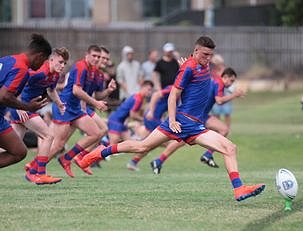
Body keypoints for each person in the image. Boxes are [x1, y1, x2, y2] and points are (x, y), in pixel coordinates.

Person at [80, 36, 265, 202]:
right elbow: (172, 96)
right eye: (204, 54)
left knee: (143, 146)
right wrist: (174, 119)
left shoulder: (202, 64)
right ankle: (99, 153)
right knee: (143, 146)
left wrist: (190, 63)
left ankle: (239, 189)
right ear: (196, 51)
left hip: (194, 124)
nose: (207, 58)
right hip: (183, 121)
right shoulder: (189, 68)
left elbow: (197, 71)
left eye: (210, 55)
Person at [150, 67, 245, 173]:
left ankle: (207, 155)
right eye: (231, 81)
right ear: (225, 77)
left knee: (224, 129)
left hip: (202, 116)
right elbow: (219, 101)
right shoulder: (219, 83)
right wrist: (234, 95)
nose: (231, 84)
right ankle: (158, 161)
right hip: (194, 117)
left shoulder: (215, 81)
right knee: (179, 142)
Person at [48, 45, 109, 178]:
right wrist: (93, 104)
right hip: (69, 106)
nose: (102, 60)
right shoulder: (82, 67)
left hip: (79, 108)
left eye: (104, 59)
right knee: (57, 143)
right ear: (87, 55)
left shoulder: (98, 74)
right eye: (99, 57)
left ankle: (74, 157)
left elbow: (96, 94)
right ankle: (36, 166)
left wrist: (108, 91)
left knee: (99, 131)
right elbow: (76, 90)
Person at [10, 47, 69, 184]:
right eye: (60, 62)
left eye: (64, 63)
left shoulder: (54, 75)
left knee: (10, 147)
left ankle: (33, 173)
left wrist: (60, 104)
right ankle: (39, 173)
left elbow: (51, 90)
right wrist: (18, 105)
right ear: (51, 59)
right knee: (48, 135)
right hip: (22, 108)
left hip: (26, 109)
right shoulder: (39, 71)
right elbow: (17, 82)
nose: (62, 66)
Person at [0, 33, 51, 168]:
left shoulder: (8, 59)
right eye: (43, 61)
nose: (42, 65)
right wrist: (28, 107)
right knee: (18, 152)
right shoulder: (21, 68)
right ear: (39, 56)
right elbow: (4, 96)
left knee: (19, 151)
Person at [106, 80, 154, 170]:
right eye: (148, 89)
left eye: (151, 90)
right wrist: (144, 120)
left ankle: (132, 163)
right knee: (112, 145)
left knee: (131, 144)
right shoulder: (138, 98)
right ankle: (100, 148)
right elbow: (133, 115)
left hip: (122, 122)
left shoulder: (138, 97)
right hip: (115, 120)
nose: (149, 92)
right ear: (142, 87)